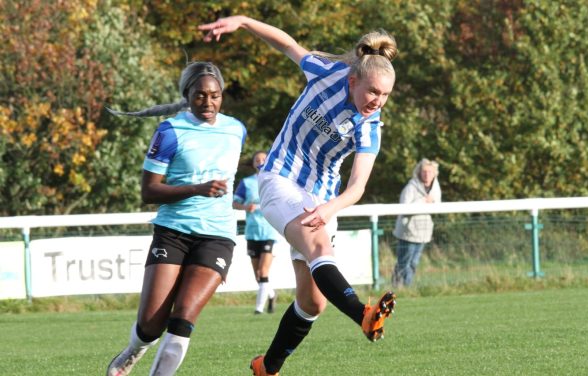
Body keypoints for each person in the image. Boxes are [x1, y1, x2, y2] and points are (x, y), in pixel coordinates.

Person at [199, 16, 398, 376]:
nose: (377, 102)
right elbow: (286, 43)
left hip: (322, 198)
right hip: (279, 178)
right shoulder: (326, 73)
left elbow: (357, 187)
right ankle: (364, 315)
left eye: (384, 95)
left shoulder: (370, 128)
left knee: (312, 303)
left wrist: (329, 207)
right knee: (321, 249)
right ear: (353, 81)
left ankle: (267, 367)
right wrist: (242, 22)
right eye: (372, 92)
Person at [105, 61, 247, 376]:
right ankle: (133, 351)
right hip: (173, 232)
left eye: (215, 95)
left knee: (183, 317)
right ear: (187, 94)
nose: (208, 103)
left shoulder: (237, 129)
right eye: (199, 96)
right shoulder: (169, 131)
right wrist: (197, 189)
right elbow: (149, 191)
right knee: (151, 325)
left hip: (218, 235)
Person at [233, 150, 281, 314]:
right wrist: (246, 207)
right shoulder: (246, 183)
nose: (260, 161)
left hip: (270, 231)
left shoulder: (275, 180)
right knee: (258, 276)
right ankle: (272, 294)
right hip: (253, 231)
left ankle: (259, 308)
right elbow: (235, 203)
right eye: (257, 159)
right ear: (253, 164)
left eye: (263, 159)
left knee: (263, 271)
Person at [392, 158, 442, 287]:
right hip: (408, 232)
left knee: (413, 263)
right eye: (424, 171)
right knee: (404, 262)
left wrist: (432, 203)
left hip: (423, 232)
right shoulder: (410, 187)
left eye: (430, 172)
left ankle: (403, 286)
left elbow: (437, 205)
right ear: (419, 172)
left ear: (434, 173)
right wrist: (422, 202)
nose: (427, 174)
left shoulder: (435, 188)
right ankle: (402, 287)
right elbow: (404, 208)